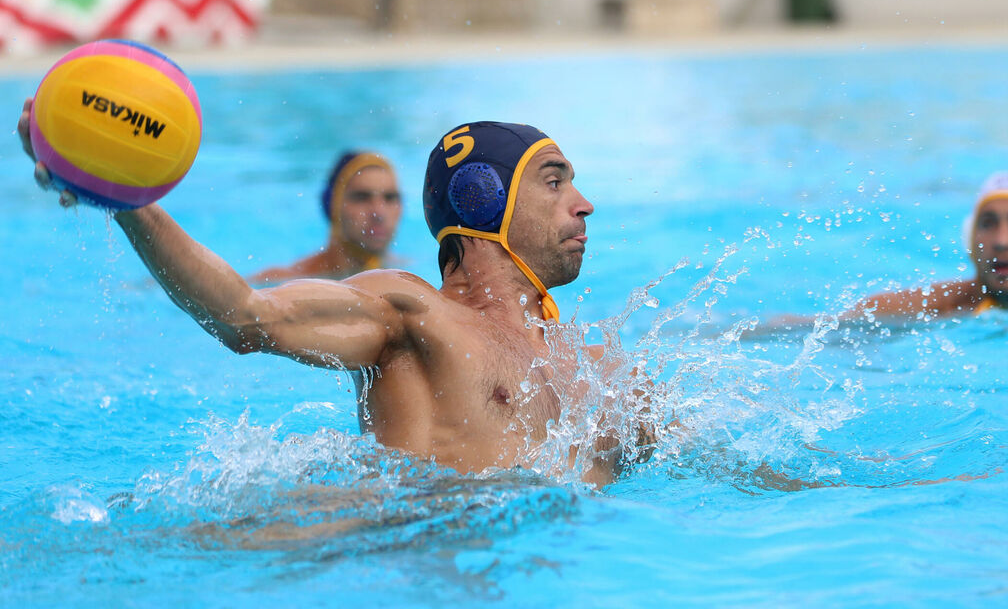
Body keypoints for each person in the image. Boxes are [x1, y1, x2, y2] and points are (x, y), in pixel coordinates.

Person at [19, 105, 648, 486]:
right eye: (555, 181)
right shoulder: (412, 312)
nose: (584, 203)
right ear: (484, 198)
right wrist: (127, 200)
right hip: (412, 564)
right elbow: (244, 315)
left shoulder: (598, 370)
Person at [770, 170, 1008, 327]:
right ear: (969, 239)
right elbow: (827, 326)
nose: (1001, 241)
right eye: (988, 222)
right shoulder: (932, 307)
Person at [248, 151, 404, 284]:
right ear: (332, 206)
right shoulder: (284, 282)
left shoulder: (405, 272)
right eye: (361, 197)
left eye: (390, 198)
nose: (379, 213)